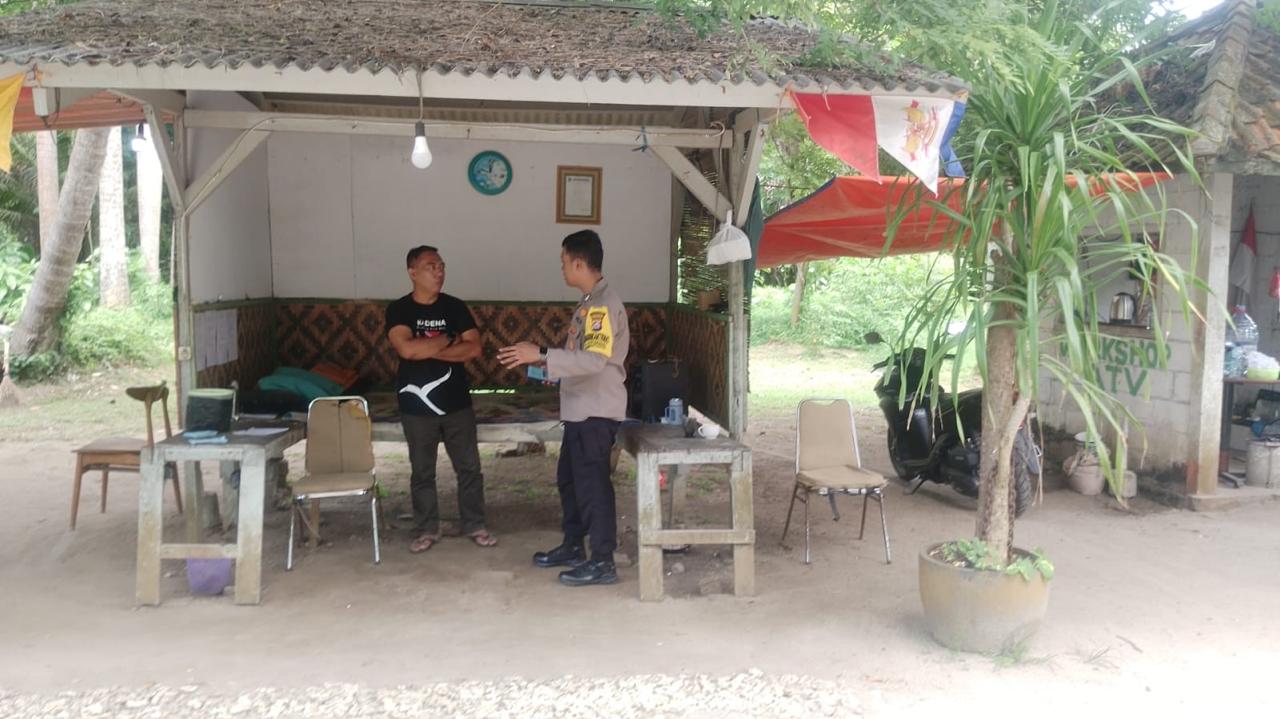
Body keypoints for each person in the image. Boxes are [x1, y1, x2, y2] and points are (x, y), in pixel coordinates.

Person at [498, 230, 629, 587]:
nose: (561, 268)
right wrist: (547, 368)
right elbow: (579, 359)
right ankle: (574, 545)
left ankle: (602, 561)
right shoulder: (589, 302)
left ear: (579, 263)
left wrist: (542, 353)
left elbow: (595, 360)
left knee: (593, 486)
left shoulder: (602, 305)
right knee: (570, 481)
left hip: (595, 412)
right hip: (579, 410)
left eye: (563, 262)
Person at [386, 245, 497, 553]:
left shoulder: (454, 307)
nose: (439, 272)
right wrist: (449, 339)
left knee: (469, 468)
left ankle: (475, 524)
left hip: (456, 403)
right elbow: (406, 350)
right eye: (431, 266)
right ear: (412, 272)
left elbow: (474, 348)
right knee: (422, 472)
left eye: (441, 266)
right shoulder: (399, 310)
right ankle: (426, 529)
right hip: (415, 406)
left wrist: (428, 348)